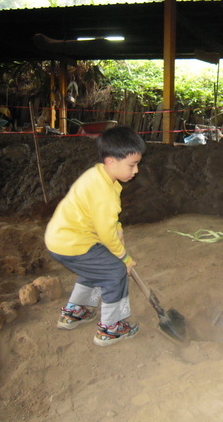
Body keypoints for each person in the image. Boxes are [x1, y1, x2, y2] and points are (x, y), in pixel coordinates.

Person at [45, 125, 146, 347]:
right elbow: (107, 235)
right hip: (73, 242)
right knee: (115, 271)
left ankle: (75, 312)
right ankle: (110, 328)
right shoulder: (104, 192)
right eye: (132, 165)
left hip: (62, 238)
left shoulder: (97, 175)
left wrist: (117, 226)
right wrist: (124, 258)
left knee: (95, 267)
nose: (136, 170)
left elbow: (105, 220)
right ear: (111, 161)